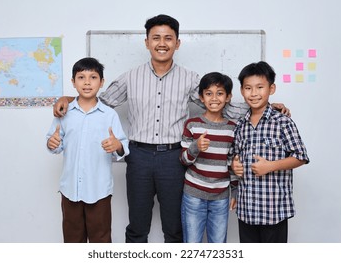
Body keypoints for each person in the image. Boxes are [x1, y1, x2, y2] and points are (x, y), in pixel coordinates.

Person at [53, 14, 289, 243]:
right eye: (156, 37)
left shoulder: (189, 79)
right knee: (137, 226)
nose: (162, 43)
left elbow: (217, 104)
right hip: (139, 157)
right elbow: (100, 101)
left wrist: (261, 107)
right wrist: (67, 98)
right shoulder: (130, 77)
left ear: (177, 43)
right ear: (147, 42)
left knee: (174, 228)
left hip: (173, 158)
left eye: (168, 38)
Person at [46, 57, 129, 243]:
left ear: (102, 82)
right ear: (73, 82)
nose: (87, 82)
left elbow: (123, 146)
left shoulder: (109, 115)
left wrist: (118, 146)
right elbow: (54, 142)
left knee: (101, 239)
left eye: (93, 77)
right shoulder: (63, 113)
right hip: (70, 189)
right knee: (72, 239)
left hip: (98, 190)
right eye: (81, 77)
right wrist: (52, 143)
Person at [231, 61, 309, 243]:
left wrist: (271, 166)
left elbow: (301, 156)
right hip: (247, 208)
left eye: (260, 87)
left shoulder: (282, 122)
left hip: (273, 210)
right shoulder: (240, 126)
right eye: (248, 88)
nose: (254, 93)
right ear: (242, 91)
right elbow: (234, 157)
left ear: (271, 89)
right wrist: (235, 166)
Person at [180, 72, 238, 243]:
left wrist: (234, 190)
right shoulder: (192, 124)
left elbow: (231, 163)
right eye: (208, 93)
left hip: (220, 198)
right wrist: (195, 147)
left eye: (220, 93)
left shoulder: (232, 128)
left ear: (228, 97)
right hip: (193, 196)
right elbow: (183, 160)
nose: (214, 98)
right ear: (201, 97)